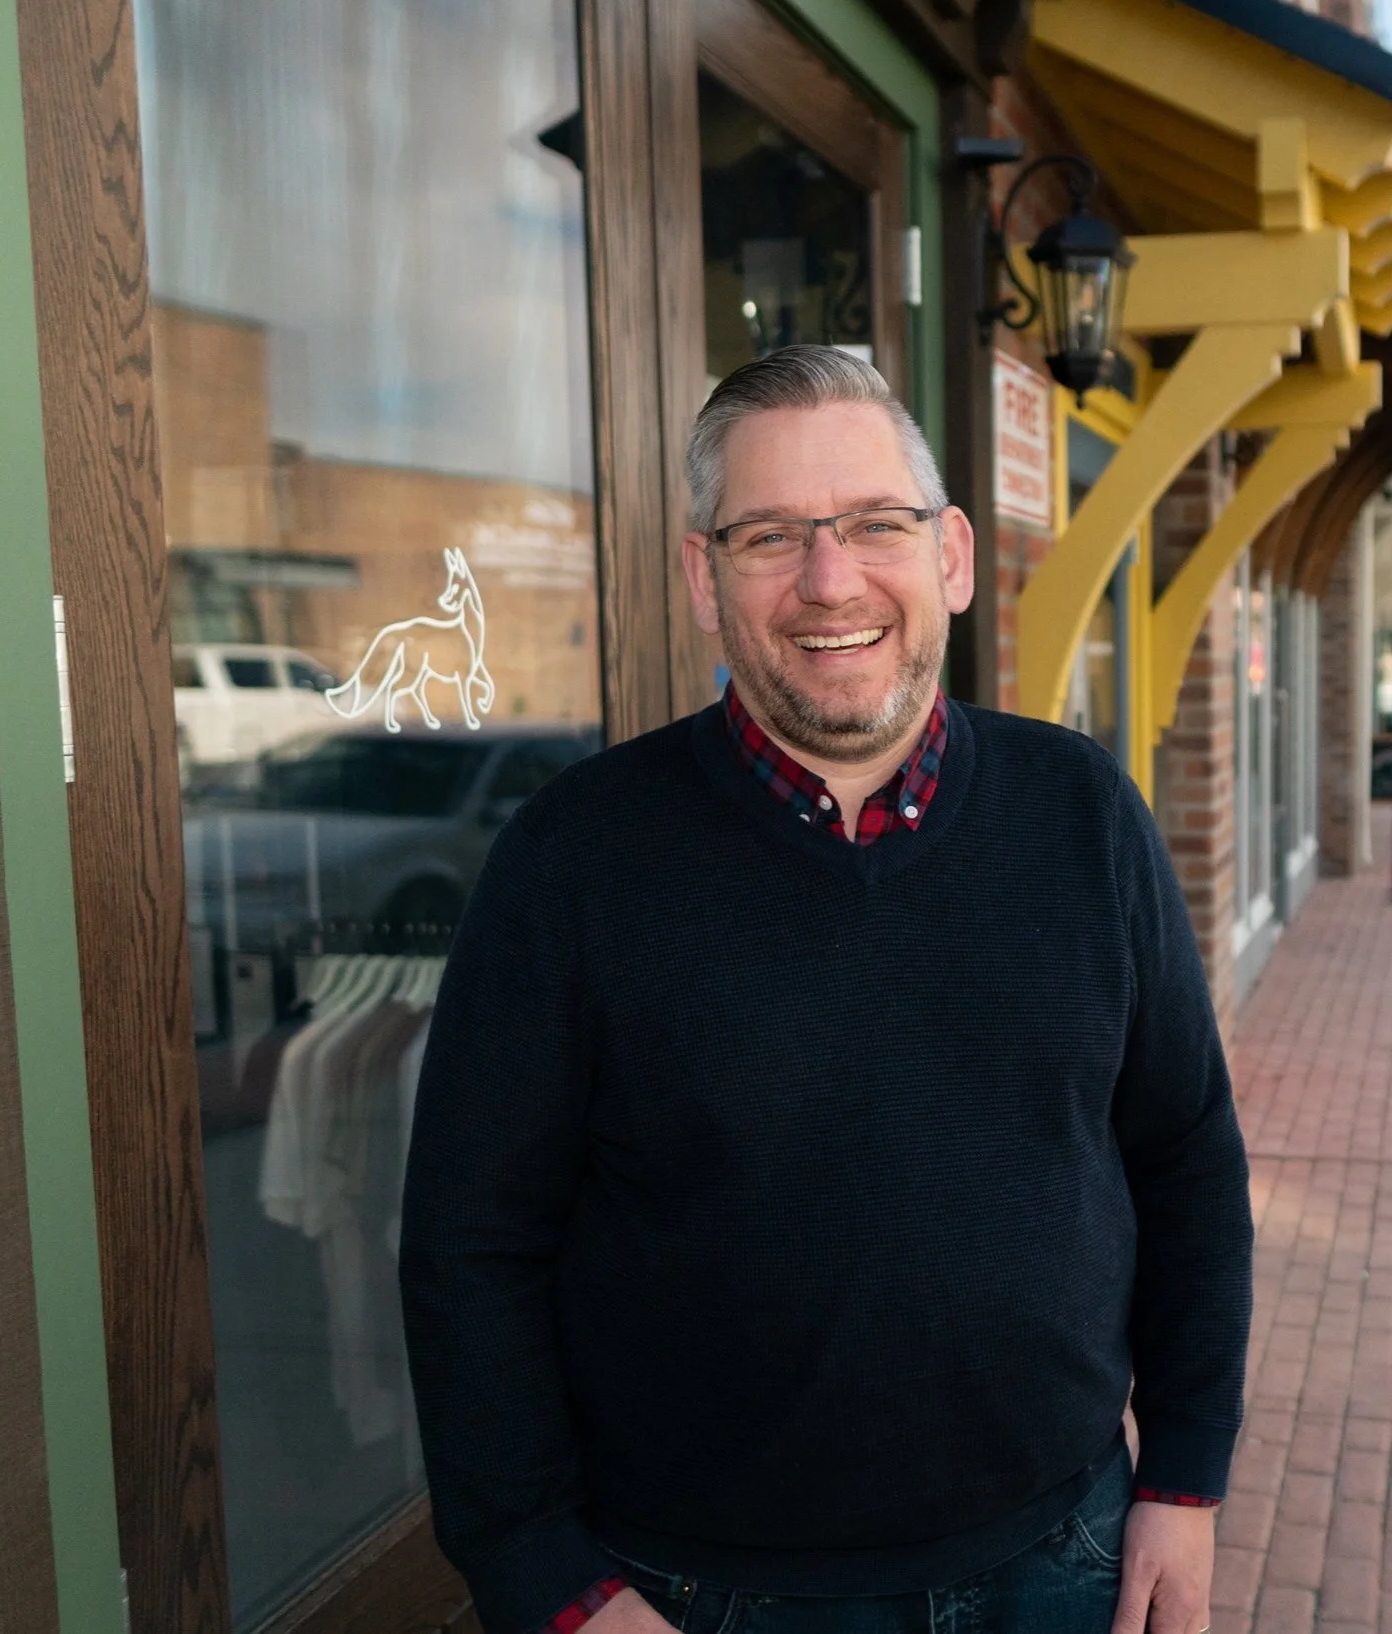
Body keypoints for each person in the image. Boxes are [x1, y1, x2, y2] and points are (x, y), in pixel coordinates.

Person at [400, 345, 1253, 1634]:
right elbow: (470, 1247)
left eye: (874, 524)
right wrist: (545, 1577)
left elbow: (1184, 1150)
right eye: (770, 536)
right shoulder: (572, 860)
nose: (830, 579)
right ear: (704, 579)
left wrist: (1183, 1477)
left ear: (950, 556)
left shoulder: (1085, 813)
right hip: (700, 1594)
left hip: (1061, 1557)